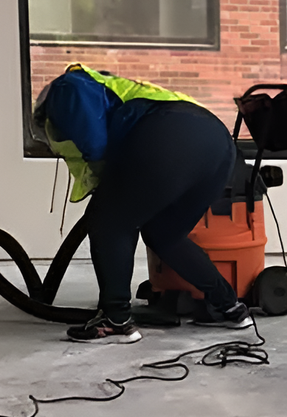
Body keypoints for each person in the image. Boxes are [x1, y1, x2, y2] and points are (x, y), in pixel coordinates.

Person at [33, 64, 254, 344]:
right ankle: (230, 307)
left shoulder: (66, 88)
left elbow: (95, 144)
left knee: (108, 222)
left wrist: (108, 199)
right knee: (165, 235)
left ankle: (115, 320)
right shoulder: (112, 93)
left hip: (169, 132)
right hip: (218, 147)